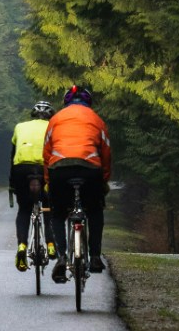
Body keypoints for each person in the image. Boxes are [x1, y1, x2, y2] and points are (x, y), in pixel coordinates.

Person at [43, 85, 111, 283]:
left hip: (60, 169)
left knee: (57, 214)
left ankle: (62, 256)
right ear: (88, 103)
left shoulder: (55, 119)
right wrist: (104, 180)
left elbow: (46, 153)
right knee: (95, 211)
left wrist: (48, 180)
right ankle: (96, 257)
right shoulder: (96, 119)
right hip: (90, 168)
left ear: (66, 103)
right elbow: (106, 152)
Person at [10, 100, 57, 271]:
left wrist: (12, 184)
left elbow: (12, 155)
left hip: (21, 169)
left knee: (24, 209)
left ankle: (22, 246)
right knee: (49, 206)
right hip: (44, 167)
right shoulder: (54, 127)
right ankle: (51, 244)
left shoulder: (20, 127)